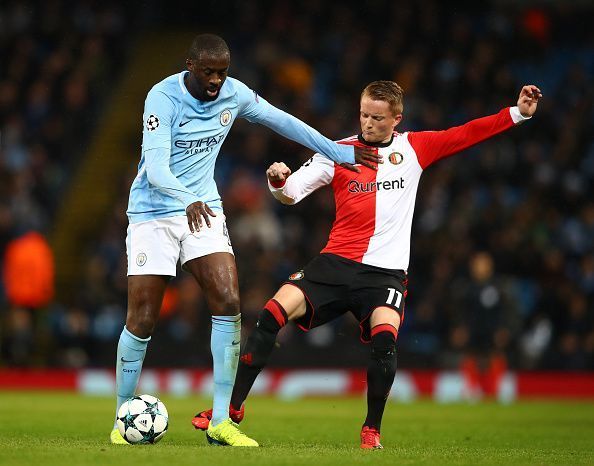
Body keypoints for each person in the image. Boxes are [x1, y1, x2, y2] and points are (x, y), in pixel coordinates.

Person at [192, 81, 542, 448]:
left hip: (384, 274)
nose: (368, 123)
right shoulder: (337, 151)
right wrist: (277, 181)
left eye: (377, 117)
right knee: (270, 314)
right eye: (363, 114)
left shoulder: (414, 148)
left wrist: (517, 113)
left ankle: (371, 428)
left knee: (385, 341)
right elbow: (291, 193)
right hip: (335, 264)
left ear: (396, 119)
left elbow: (466, 133)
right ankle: (230, 410)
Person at [110, 33, 381, 447]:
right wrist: (185, 198)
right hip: (154, 210)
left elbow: (283, 120)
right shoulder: (161, 98)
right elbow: (157, 167)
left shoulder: (233, 94)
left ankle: (221, 421)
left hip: (203, 207)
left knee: (229, 300)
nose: (216, 80)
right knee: (143, 317)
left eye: (222, 71)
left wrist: (337, 151)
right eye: (208, 72)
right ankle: (122, 414)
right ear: (190, 66)